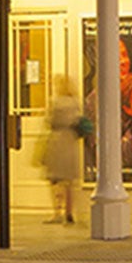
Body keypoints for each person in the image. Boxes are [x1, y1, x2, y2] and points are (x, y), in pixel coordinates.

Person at [42, 74, 83, 223]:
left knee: (54, 180)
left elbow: (49, 121)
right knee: (69, 182)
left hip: (57, 142)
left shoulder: (55, 102)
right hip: (70, 142)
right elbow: (78, 121)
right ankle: (69, 212)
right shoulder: (75, 103)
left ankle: (57, 211)